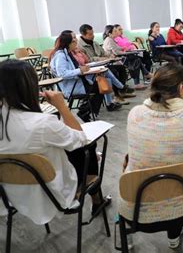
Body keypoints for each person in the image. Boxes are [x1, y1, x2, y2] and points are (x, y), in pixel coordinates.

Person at [0, 60, 109, 224]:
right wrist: (62, 107)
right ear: (29, 86)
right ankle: (97, 200)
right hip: (50, 192)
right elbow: (81, 139)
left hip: (10, 193)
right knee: (87, 147)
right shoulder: (41, 123)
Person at [119, 64, 183, 249]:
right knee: (181, 171)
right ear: (180, 88)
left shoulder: (135, 113)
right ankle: (174, 236)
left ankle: (121, 229)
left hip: (137, 209)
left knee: (128, 163)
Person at [49, 30, 113, 122]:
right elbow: (62, 73)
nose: (76, 40)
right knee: (99, 88)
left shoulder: (68, 53)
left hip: (78, 81)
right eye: (74, 38)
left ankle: (86, 111)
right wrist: (80, 70)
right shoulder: (61, 55)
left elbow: (73, 68)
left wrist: (85, 68)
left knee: (102, 84)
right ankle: (85, 111)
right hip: (71, 86)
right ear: (69, 42)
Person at [78, 24, 136, 100]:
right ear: (83, 35)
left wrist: (110, 56)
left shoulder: (94, 42)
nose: (93, 35)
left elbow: (103, 52)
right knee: (113, 71)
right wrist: (102, 58)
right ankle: (117, 94)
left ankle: (121, 91)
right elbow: (88, 59)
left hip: (103, 64)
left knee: (121, 68)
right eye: (90, 34)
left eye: (93, 33)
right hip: (93, 67)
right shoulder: (80, 46)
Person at [103, 25, 151, 90]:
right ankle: (144, 76)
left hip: (119, 58)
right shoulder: (109, 40)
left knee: (137, 59)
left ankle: (144, 75)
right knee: (136, 60)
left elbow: (118, 48)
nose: (117, 32)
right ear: (110, 33)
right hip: (115, 60)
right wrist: (126, 52)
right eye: (115, 31)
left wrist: (123, 48)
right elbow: (116, 52)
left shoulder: (112, 39)